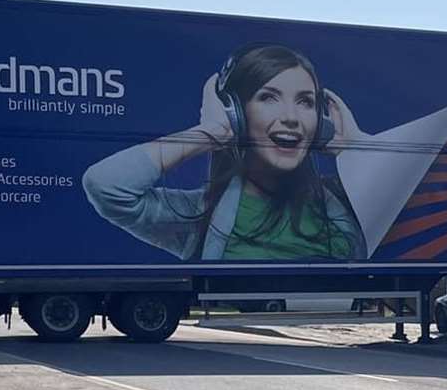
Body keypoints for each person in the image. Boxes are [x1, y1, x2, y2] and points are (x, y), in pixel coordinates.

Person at [83, 43, 366, 261]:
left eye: (305, 102)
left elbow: (407, 211)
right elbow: (105, 186)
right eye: (268, 97)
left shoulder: (348, 197)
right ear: (236, 113)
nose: (291, 117)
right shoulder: (197, 215)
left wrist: (356, 150)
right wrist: (212, 131)